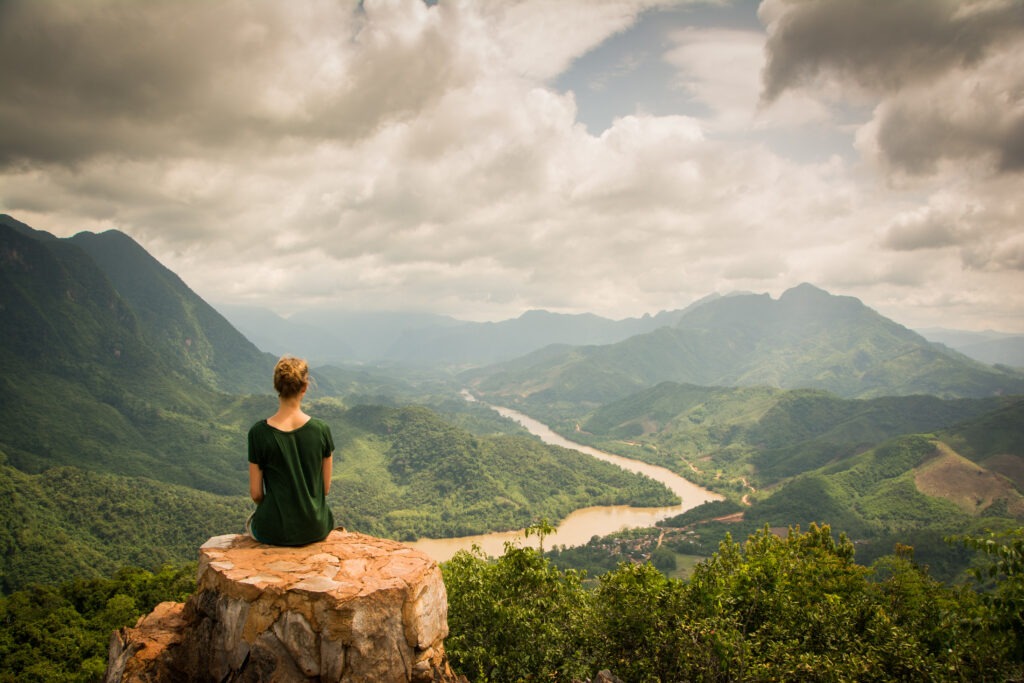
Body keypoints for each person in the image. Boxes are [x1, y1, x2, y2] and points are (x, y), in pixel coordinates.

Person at [246, 355, 336, 545]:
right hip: (315, 528)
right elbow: (325, 489)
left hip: (274, 531)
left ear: (277, 386)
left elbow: (256, 494)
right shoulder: (321, 430)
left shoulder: (258, 433)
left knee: (251, 524)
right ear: (304, 387)